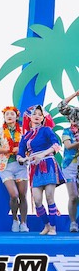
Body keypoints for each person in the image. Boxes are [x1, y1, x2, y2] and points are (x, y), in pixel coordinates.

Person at [17, 105, 64, 235]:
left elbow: (56, 145)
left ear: (43, 118)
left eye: (40, 114)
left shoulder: (46, 130)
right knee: (37, 200)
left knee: (49, 197)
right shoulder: (25, 136)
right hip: (34, 168)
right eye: (34, 114)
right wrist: (23, 159)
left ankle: (53, 227)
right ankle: (47, 225)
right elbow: (20, 154)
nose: (37, 116)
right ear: (30, 117)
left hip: (48, 164)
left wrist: (42, 154)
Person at [0, 106, 29, 232]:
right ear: (4, 116)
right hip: (5, 166)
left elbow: (29, 147)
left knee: (23, 195)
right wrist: (8, 150)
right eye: (7, 114)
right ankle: (15, 219)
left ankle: (23, 223)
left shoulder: (24, 131)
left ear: (17, 117)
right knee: (14, 195)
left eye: (12, 114)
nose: (9, 116)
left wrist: (21, 151)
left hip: (21, 165)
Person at [58, 91, 79, 232]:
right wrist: (75, 94)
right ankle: (73, 223)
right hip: (70, 165)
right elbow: (61, 106)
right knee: (73, 196)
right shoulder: (68, 131)